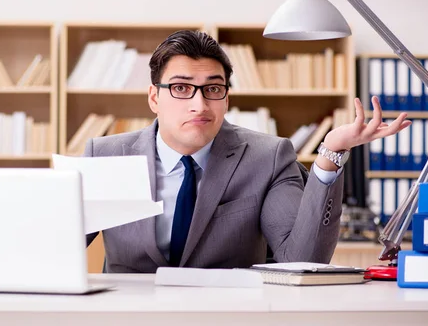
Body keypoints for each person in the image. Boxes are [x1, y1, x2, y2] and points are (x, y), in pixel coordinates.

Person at [85, 30, 410, 273]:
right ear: (154, 98)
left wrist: (331, 152)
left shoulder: (267, 158)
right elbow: (53, 249)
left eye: (213, 89)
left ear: (226, 98)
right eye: (181, 88)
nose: (200, 105)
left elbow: (303, 260)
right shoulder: (107, 155)